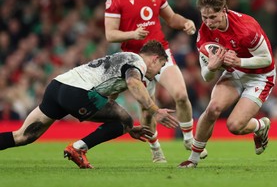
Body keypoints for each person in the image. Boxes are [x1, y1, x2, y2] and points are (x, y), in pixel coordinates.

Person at [0, 40, 179, 169]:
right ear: (155, 58)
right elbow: (134, 83)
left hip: (57, 86)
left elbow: (109, 100)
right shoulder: (138, 63)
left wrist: (128, 129)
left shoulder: (123, 58)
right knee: (125, 120)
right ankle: (78, 148)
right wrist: (155, 111)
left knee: (23, 136)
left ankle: (80, 147)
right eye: (161, 66)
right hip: (76, 92)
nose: (158, 72)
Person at [104, 0, 206, 163]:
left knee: (181, 94)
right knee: (147, 109)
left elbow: (171, 18)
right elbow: (110, 34)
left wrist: (185, 22)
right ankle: (155, 148)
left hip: (161, 53)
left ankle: (189, 138)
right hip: (135, 60)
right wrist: (132, 34)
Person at [178, 0, 276, 168]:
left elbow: (267, 59)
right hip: (234, 72)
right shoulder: (205, 32)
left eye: (213, 17)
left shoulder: (246, 28)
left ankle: (261, 126)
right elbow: (205, 77)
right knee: (213, 108)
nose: (208, 22)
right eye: (204, 17)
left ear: (224, 10)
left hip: (260, 76)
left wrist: (239, 61)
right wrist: (211, 67)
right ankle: (193, 159)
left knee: (234, 126)